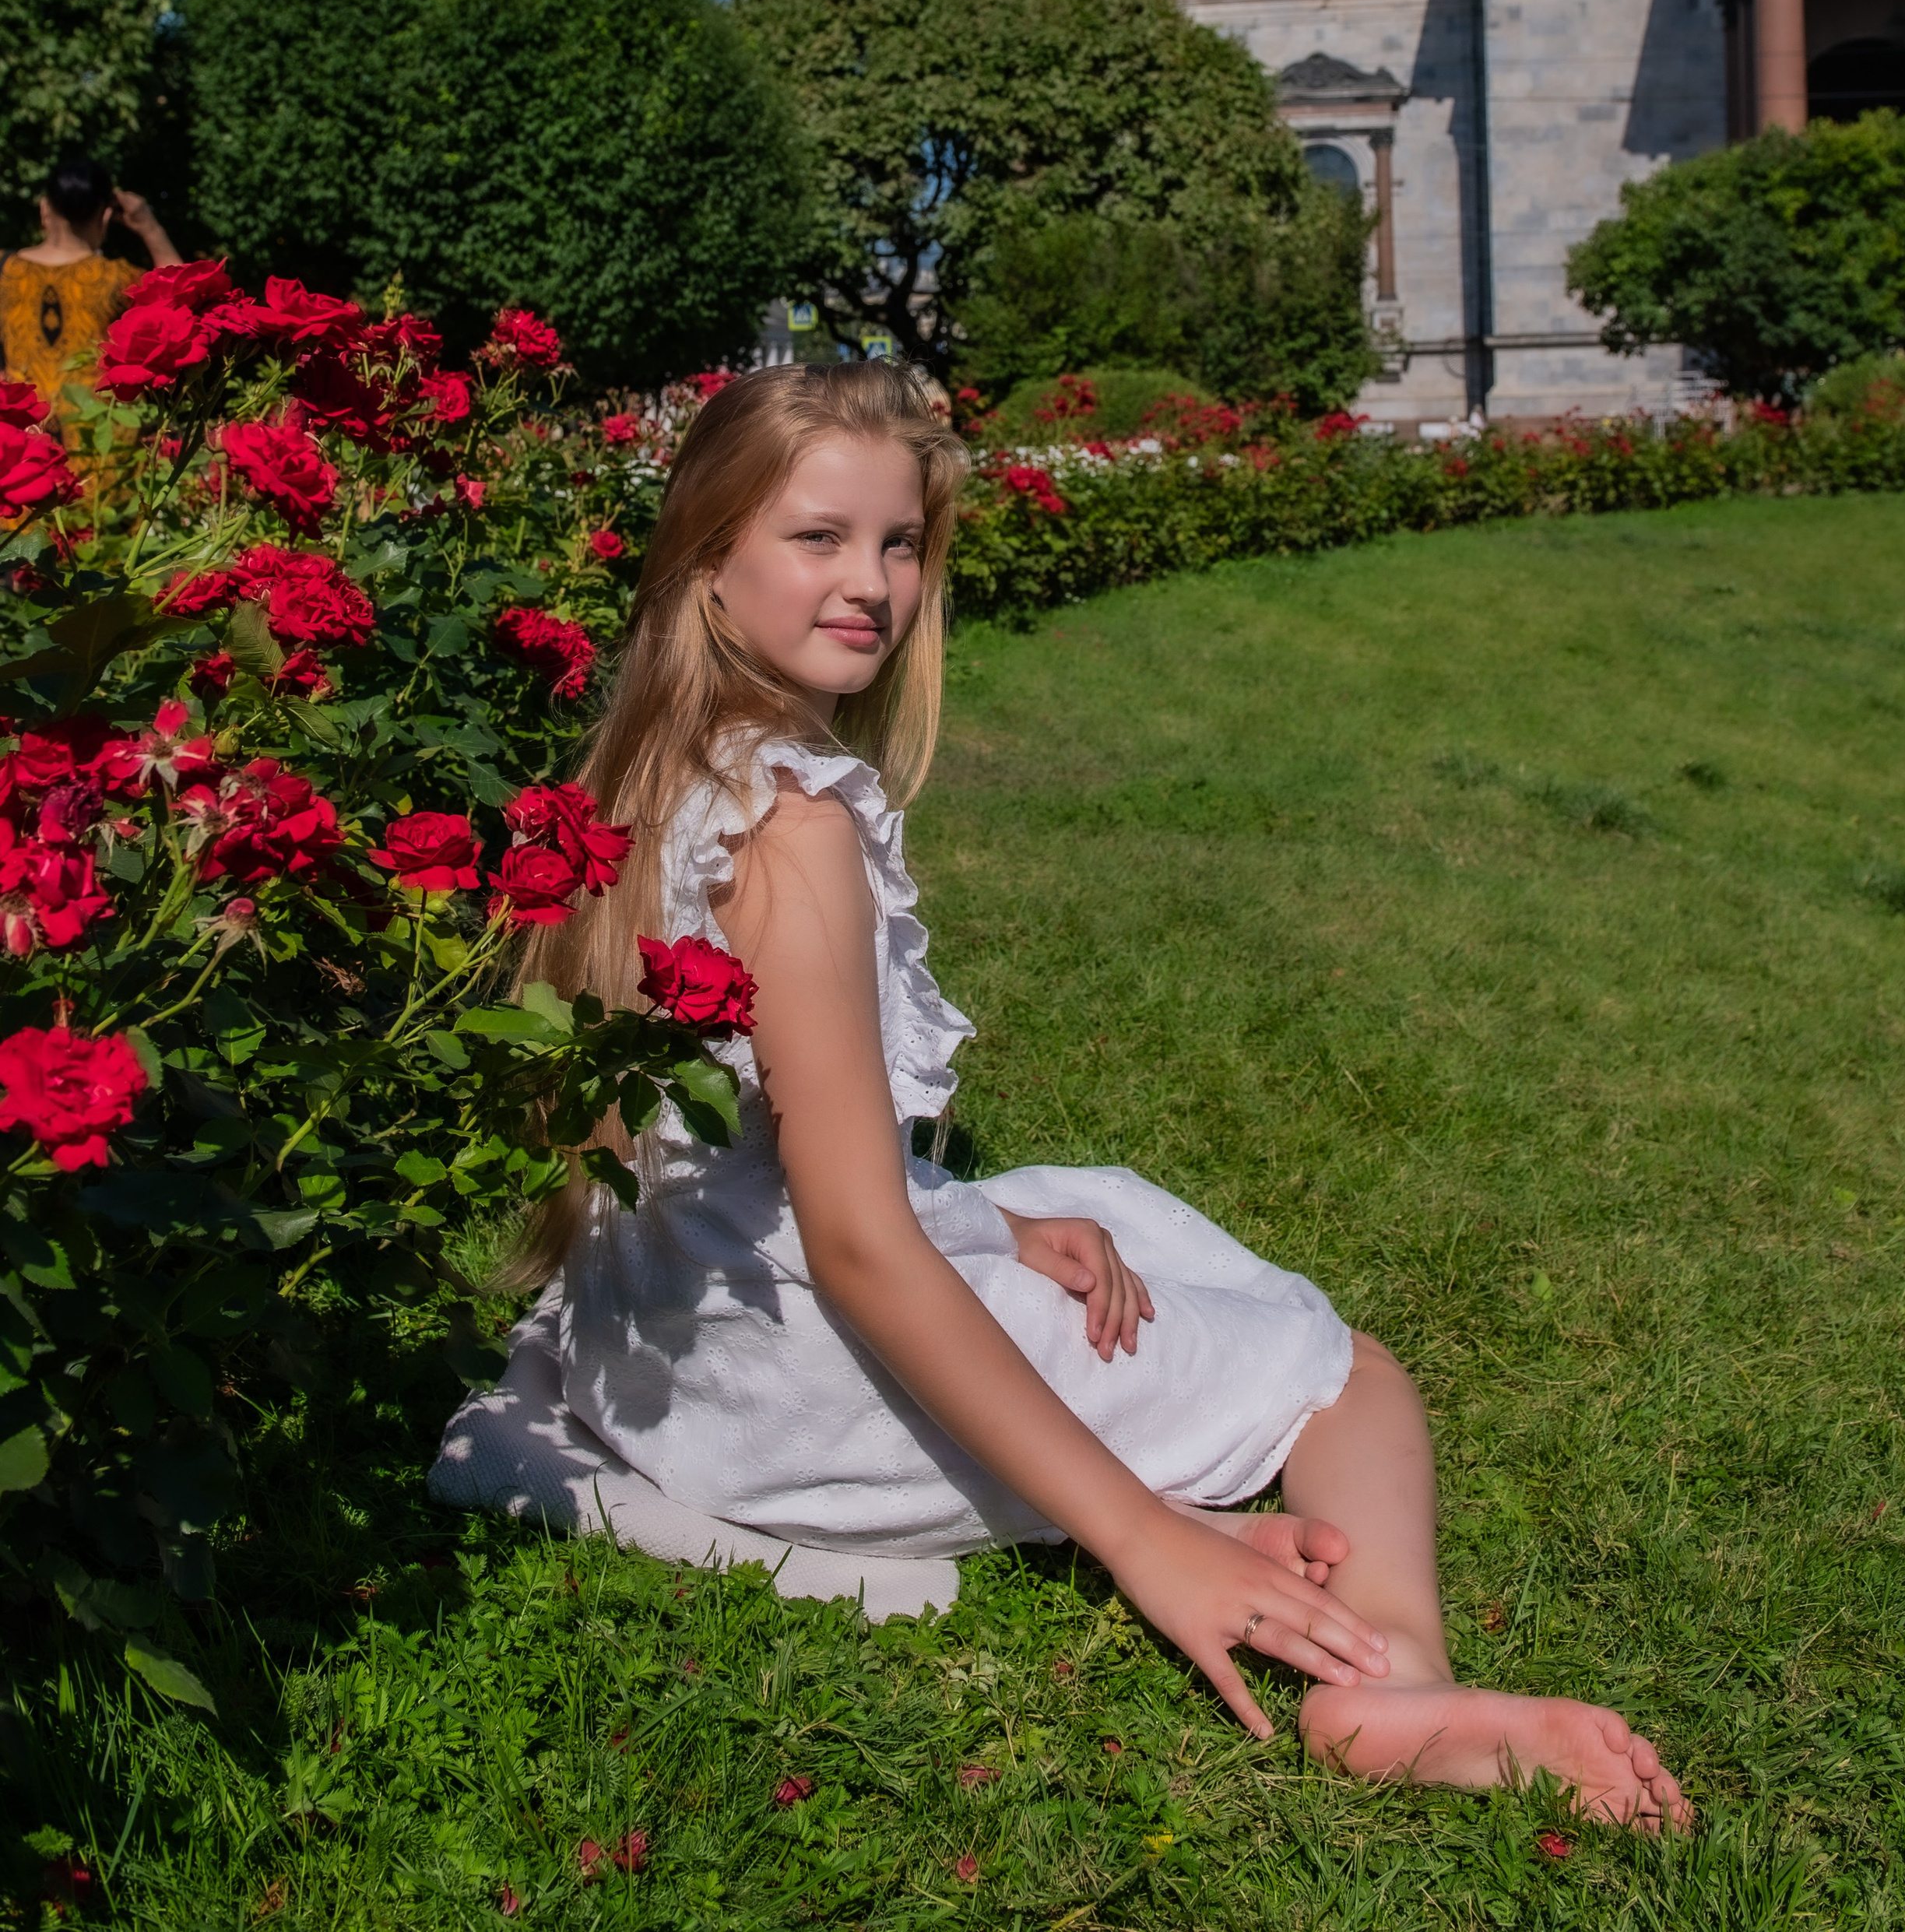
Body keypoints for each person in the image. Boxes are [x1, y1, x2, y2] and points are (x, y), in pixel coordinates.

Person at [504, 364, 1689, 1829]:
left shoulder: (648, 773)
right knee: (1348, 1377)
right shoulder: (795, 824)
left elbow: (756, 1146)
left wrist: (995, 1224)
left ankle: (1171, 1485)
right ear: (708, 555)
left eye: (899, 543)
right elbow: (864, 1244)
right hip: (803, 1386)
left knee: (1098, 1214)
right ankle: (1383, 1684)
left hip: (678, 1360)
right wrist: (1145, 1540)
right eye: (819, 537)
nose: (872, 583)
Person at [0, 156, 181, 431]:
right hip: (100, 442)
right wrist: (149, 227)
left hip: (23, 439)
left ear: (44, 209)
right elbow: (182, 295)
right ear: (106, 215)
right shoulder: (119, 278)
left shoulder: (4, 269)